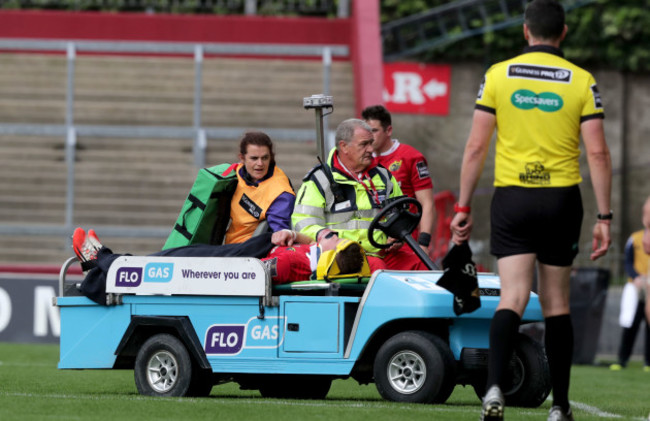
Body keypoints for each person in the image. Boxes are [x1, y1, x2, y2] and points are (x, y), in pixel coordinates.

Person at [449, 1, 613, 420]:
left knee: (513, 297)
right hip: (561, 200)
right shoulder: (582, 81)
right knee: (557, 303)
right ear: (564, 32)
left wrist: (463, 205)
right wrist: (604, 217)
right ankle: (559, 407)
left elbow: (474, 147)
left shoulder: (498, 75)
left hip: (513, 200)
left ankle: (492, 390)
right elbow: (597, 152)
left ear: (525, 32)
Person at [71, 227, 367, 305]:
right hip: (229, 257)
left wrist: (275, 244)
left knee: (159, 263)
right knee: (165, 256)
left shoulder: (293, 262)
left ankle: (97, 258)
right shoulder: (311, 257)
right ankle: (99, 259)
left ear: (329, 256)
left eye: (332, 238)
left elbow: (253, 274)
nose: (331, 234)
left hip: (222, 267)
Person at [291, 118, 428, 272]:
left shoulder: (383, 176)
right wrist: (333, 241)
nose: (371, 149)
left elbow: (400, 214)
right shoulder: (319, 180)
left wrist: (397, 237)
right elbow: (303, 225)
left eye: (371, 142)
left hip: (383, 254)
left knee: (422, 265)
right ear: (344, 146)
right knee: (379, 270)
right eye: (364, 144)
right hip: (340, 258)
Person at [361, 105, 436, 253]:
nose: (369, 136)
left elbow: (427, 203)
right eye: (366, 132)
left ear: (388, 131)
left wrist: (424, 243)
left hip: (406, 244)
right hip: (373, 243)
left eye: (374, 131)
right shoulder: (361, 161)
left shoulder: (411, 157)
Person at [224, 131, 295, 244]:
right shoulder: (233, 173)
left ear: (271, 158)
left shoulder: (281, 192)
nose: (260, 163)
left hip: (251, 253)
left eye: (265, 158)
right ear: (242, 158)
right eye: (254, 158)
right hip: (226, 244)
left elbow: (280, 235)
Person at [610, 205, 650, 372]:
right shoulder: (634, 238)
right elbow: (628, 261)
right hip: (636, 288)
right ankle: (622, 359)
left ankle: (648, 362)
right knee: (630, 324)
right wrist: (636, 277)